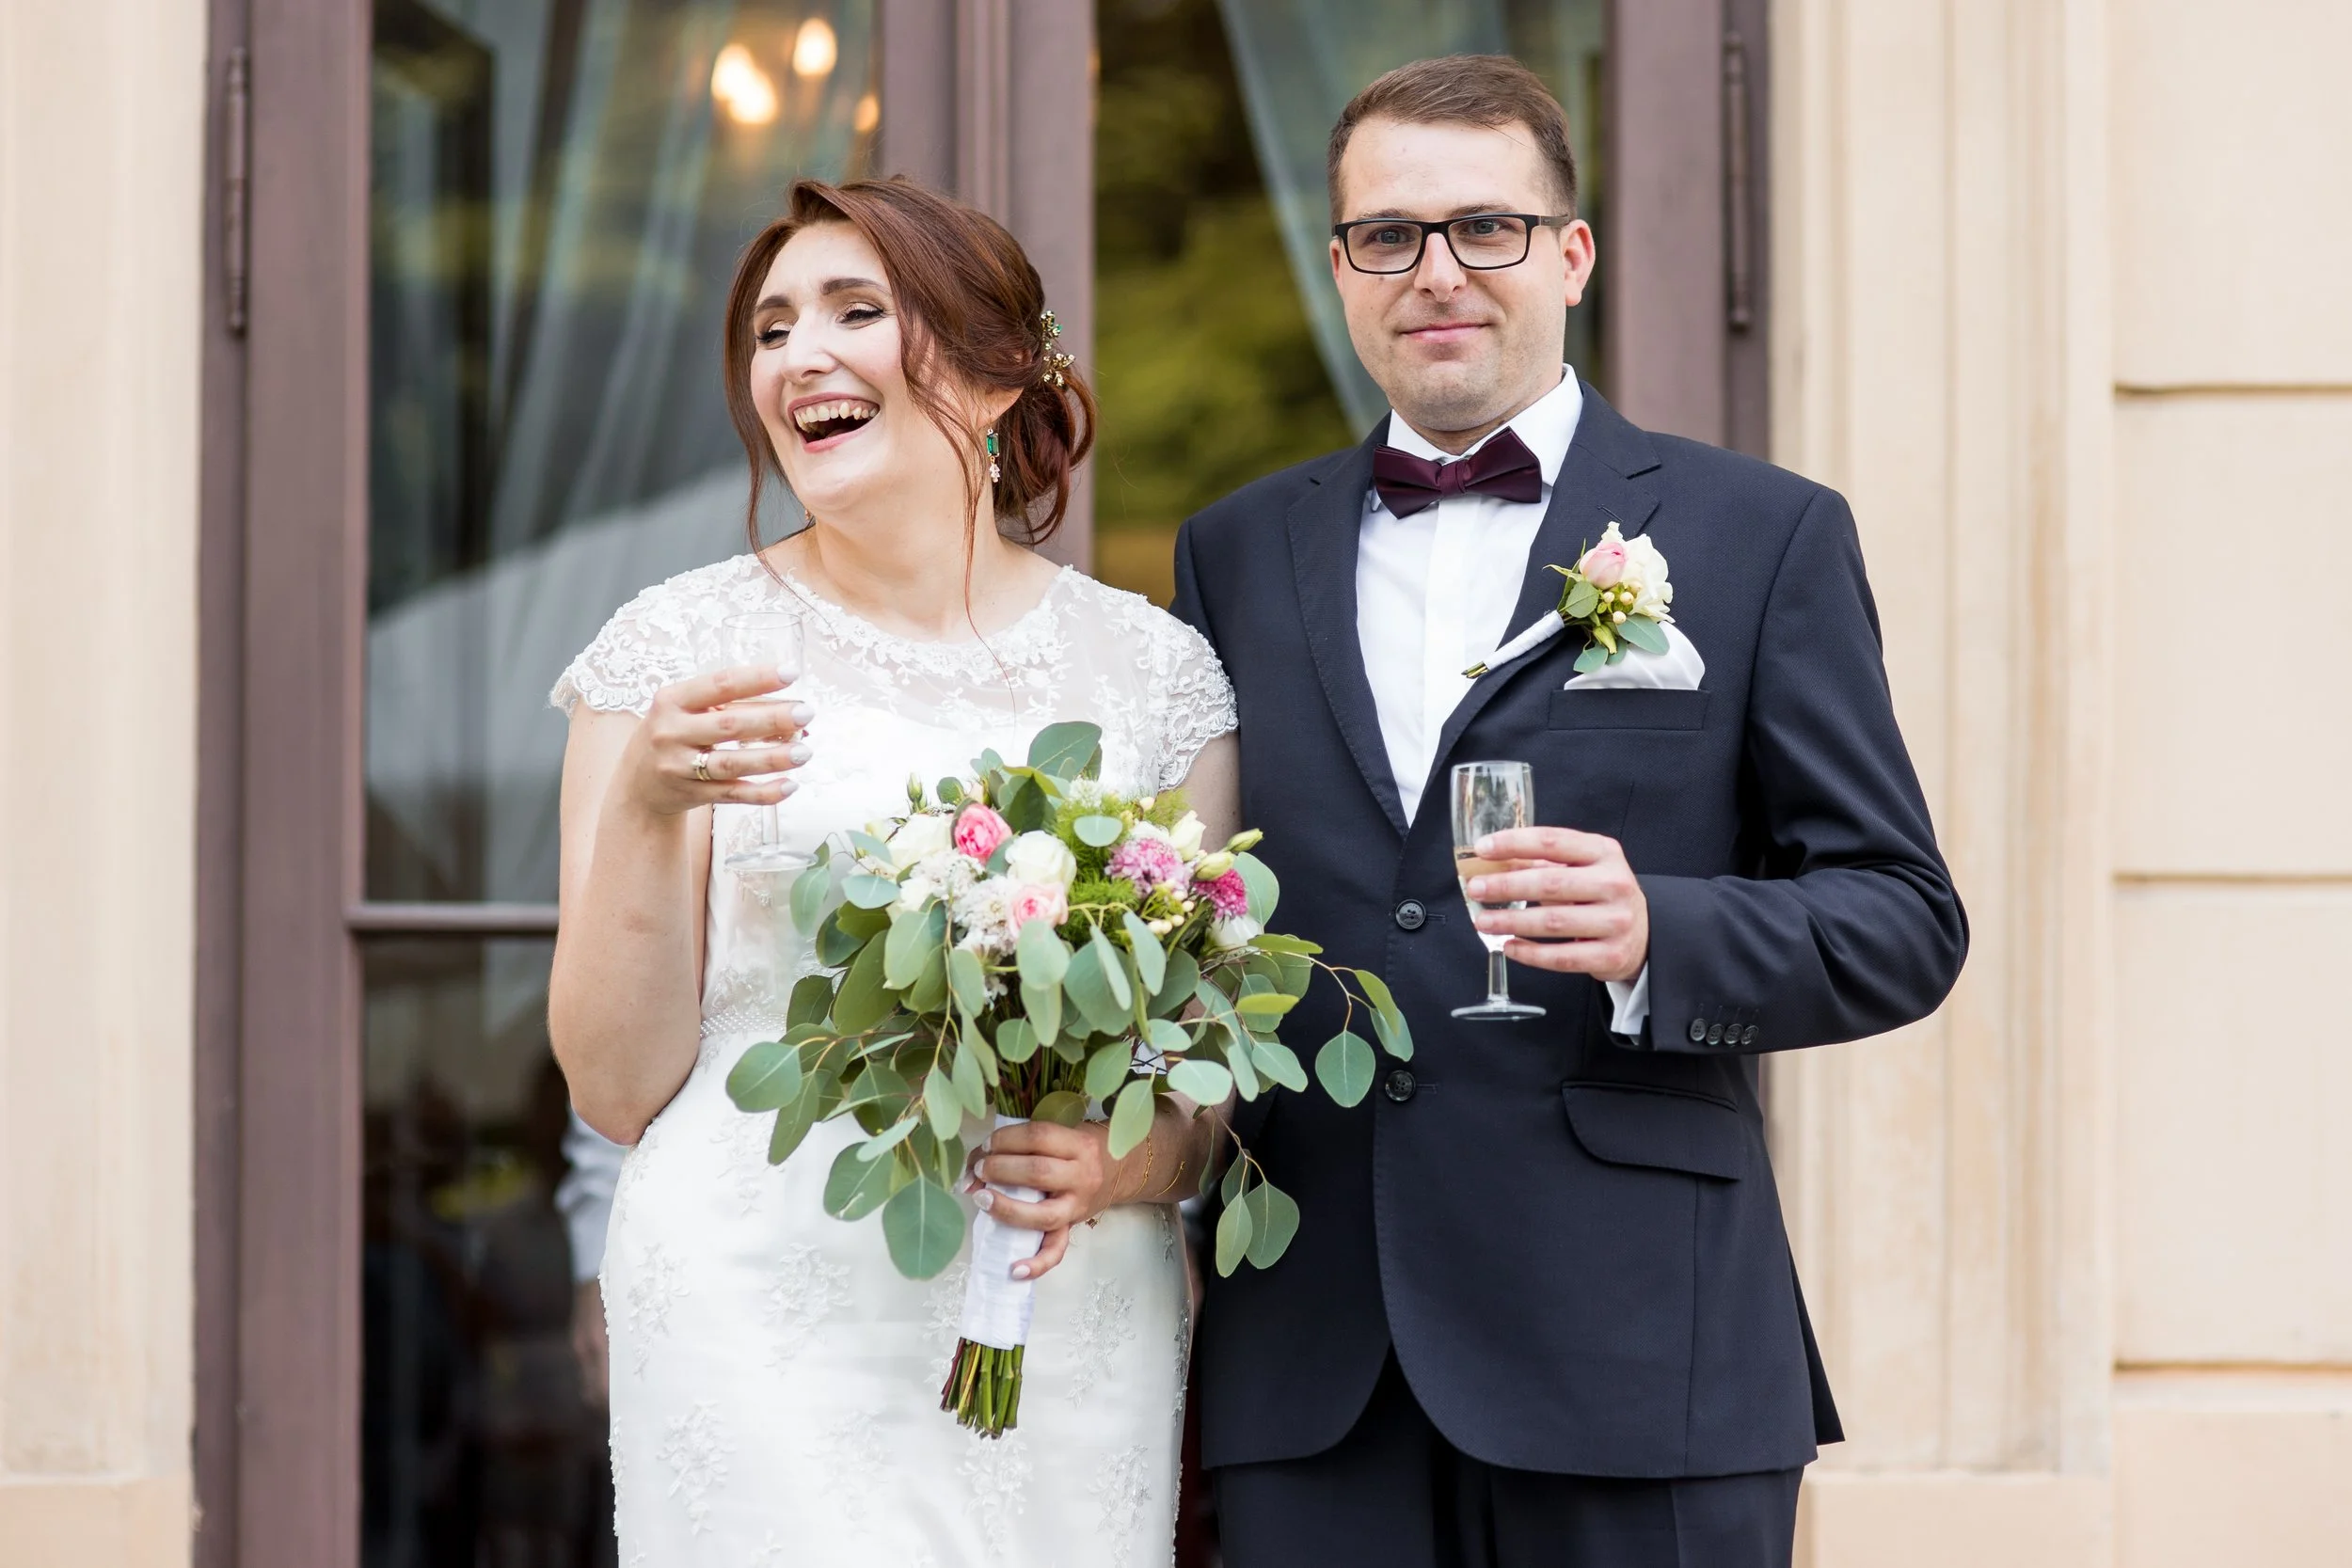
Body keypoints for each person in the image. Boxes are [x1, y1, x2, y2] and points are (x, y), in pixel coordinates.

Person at [1171, 55, 1967, 1568]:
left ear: (1573, 253)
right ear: (1340, 268)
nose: (1437, 272)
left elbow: (1903, 918)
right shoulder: (1232, 552)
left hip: (1641, 1350)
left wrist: (1661, 931)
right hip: (1316, 1363)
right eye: (1389, 235)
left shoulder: (1759, 534)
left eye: (1488, 226)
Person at [548, 175, 1238, 1564]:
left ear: (997, 375)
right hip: (757, 1304)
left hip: (1056, 1308)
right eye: (772, 329)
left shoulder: (1154, 678)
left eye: (855, 312)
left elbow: (1200, 1098)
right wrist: (648, 805)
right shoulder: (671, 657)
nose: (799, 355)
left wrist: (1113, 1166)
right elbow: (614, 1089)